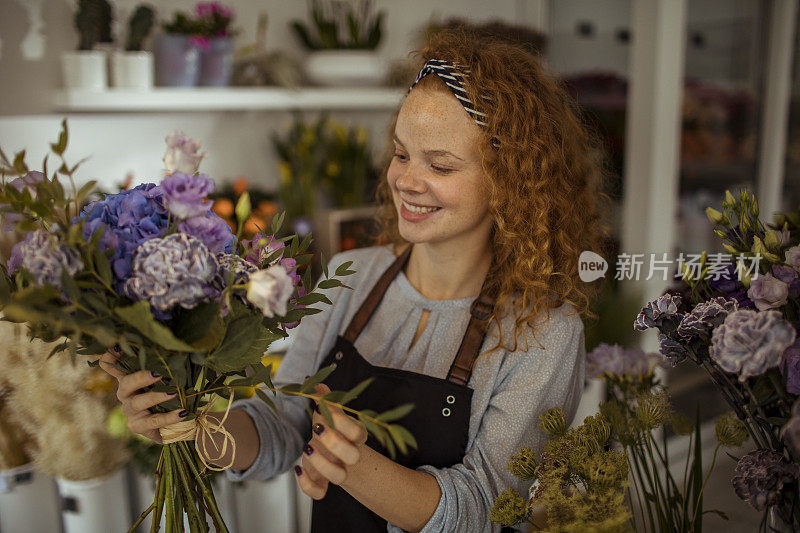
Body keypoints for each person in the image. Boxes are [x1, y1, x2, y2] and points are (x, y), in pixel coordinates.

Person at [100, 27, 611, 533]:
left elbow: (486, 509)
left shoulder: (543, 333)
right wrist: (191, 423)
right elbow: (282, 426)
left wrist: (352, 466)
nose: (406, 180)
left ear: (509, 182)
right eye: (401, 152)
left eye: (440, 164)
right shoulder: (355, 275)